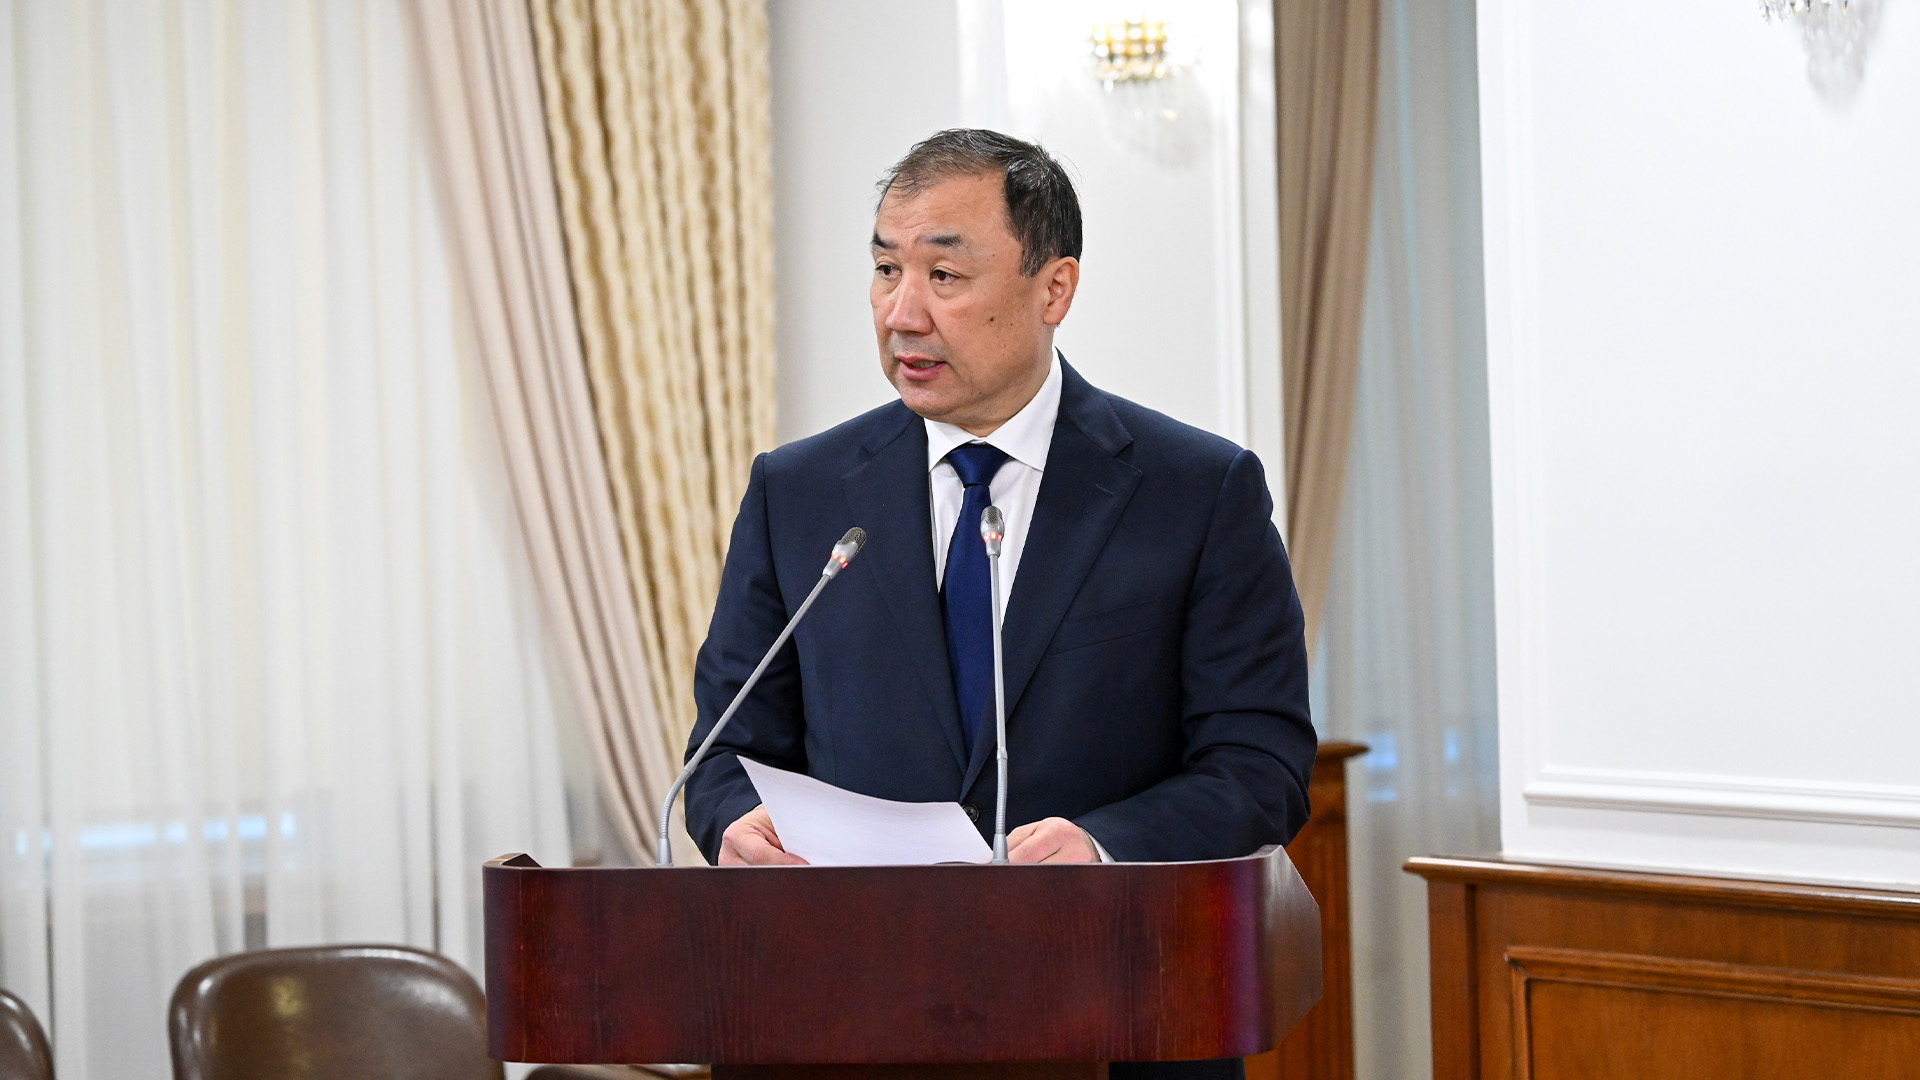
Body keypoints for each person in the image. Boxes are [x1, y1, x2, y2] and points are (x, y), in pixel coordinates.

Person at [682, 129, 1315, 1078]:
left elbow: (1261, 766)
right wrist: (733, 820)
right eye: (886, 270)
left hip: (1116, 1009)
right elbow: (724, 749)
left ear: (1053, 289)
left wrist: (1105, 845)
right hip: (845, 1014)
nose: (902, 313)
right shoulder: (799, 491)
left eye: (944, 275)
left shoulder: (1196, 490)